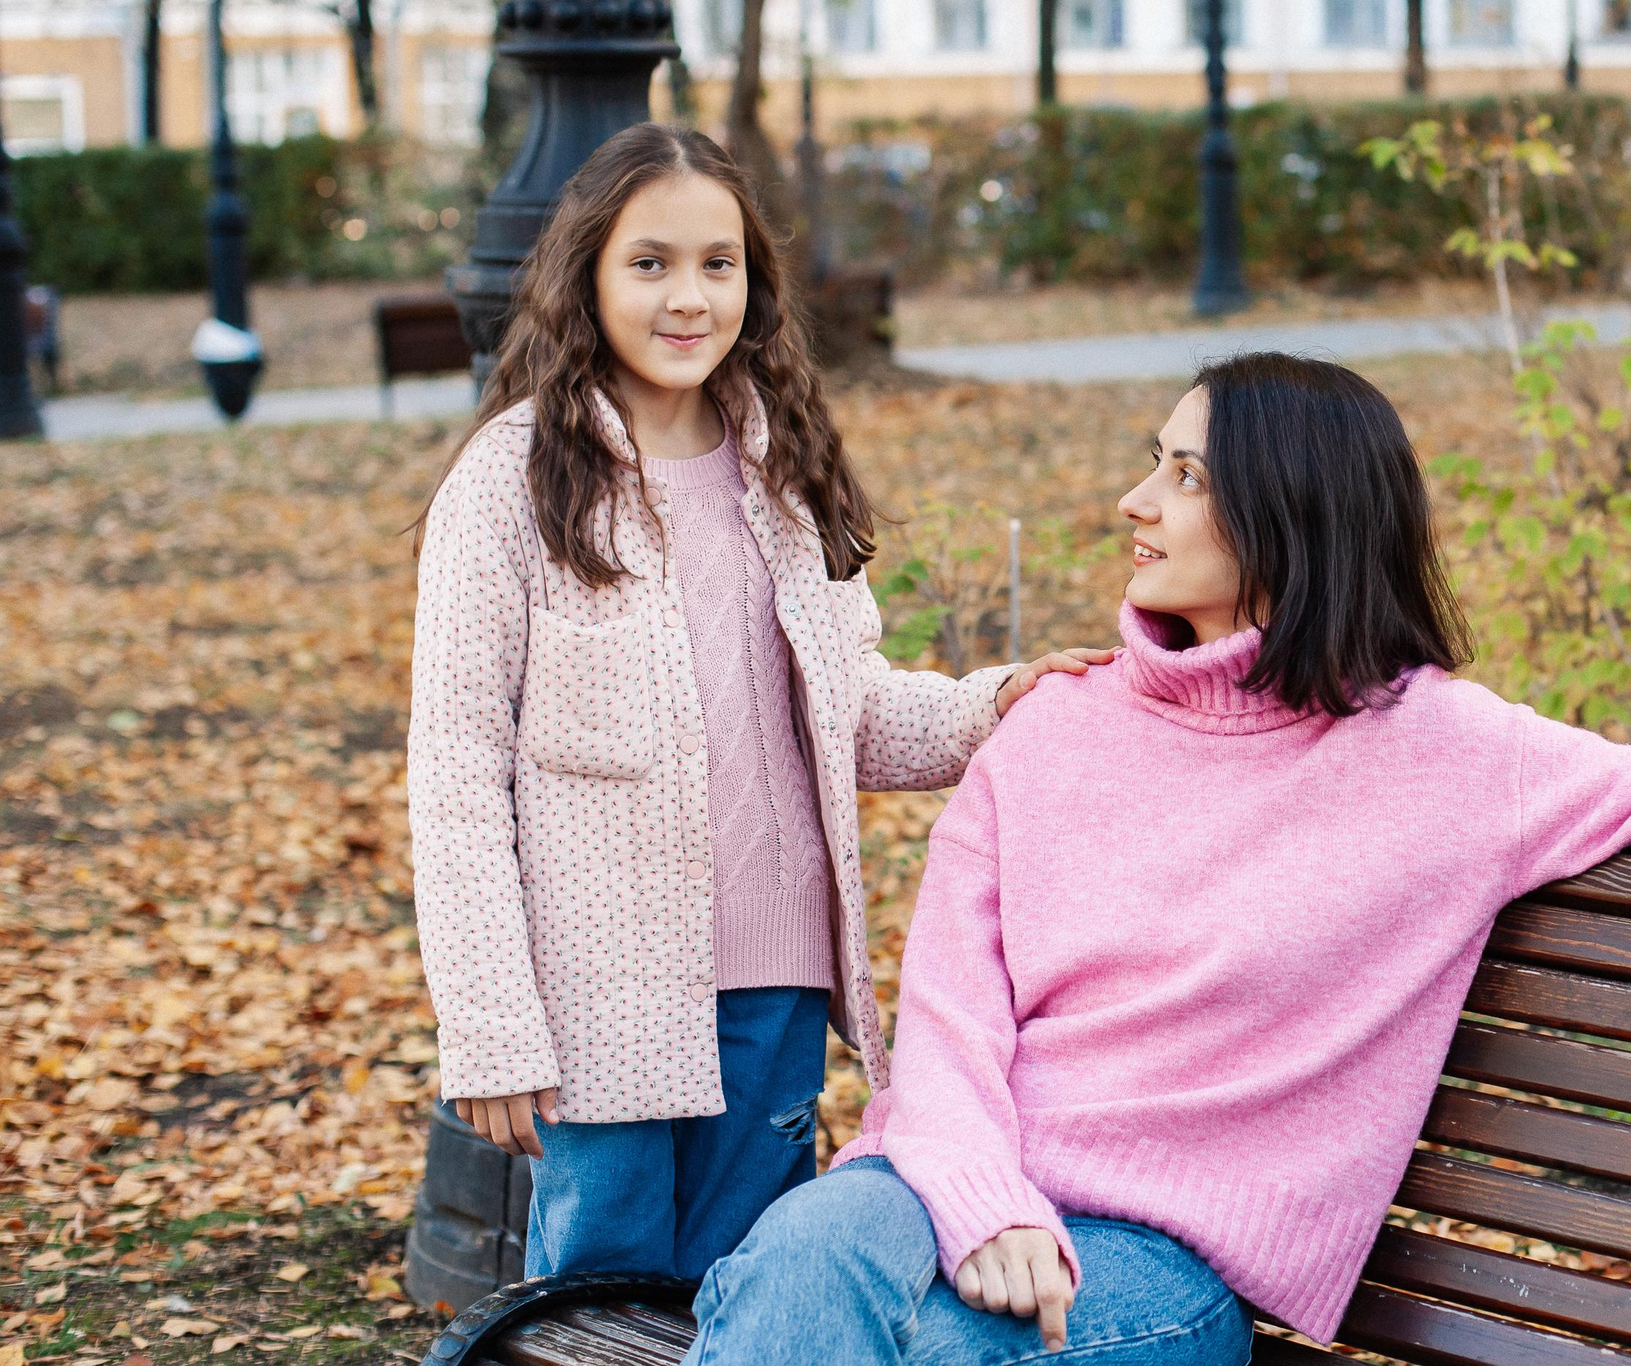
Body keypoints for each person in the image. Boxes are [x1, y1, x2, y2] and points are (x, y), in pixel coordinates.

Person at [654, 353, 1631, 1366]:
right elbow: (948, 1021)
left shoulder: (1441, 753)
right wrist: (984, 1199)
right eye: (1151, 462)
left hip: (1152, 1279)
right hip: (937, 1189)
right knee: (807, 1260)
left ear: (1289, 512)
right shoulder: (1053, 730)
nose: (1133, 502)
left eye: (1184, 475)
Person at [406, 124, 1108, 1283]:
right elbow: (457, 775)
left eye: (718, 263)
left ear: (753, 279)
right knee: (596, 1309)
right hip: (602, 994)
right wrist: (490, 1024)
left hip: (776, 987)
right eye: (650, 262)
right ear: (584, 272)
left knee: (746, 1294)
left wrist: (1000, 704)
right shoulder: (511, 481)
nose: (688, 297)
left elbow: (854, 715)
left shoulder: (784, 471)